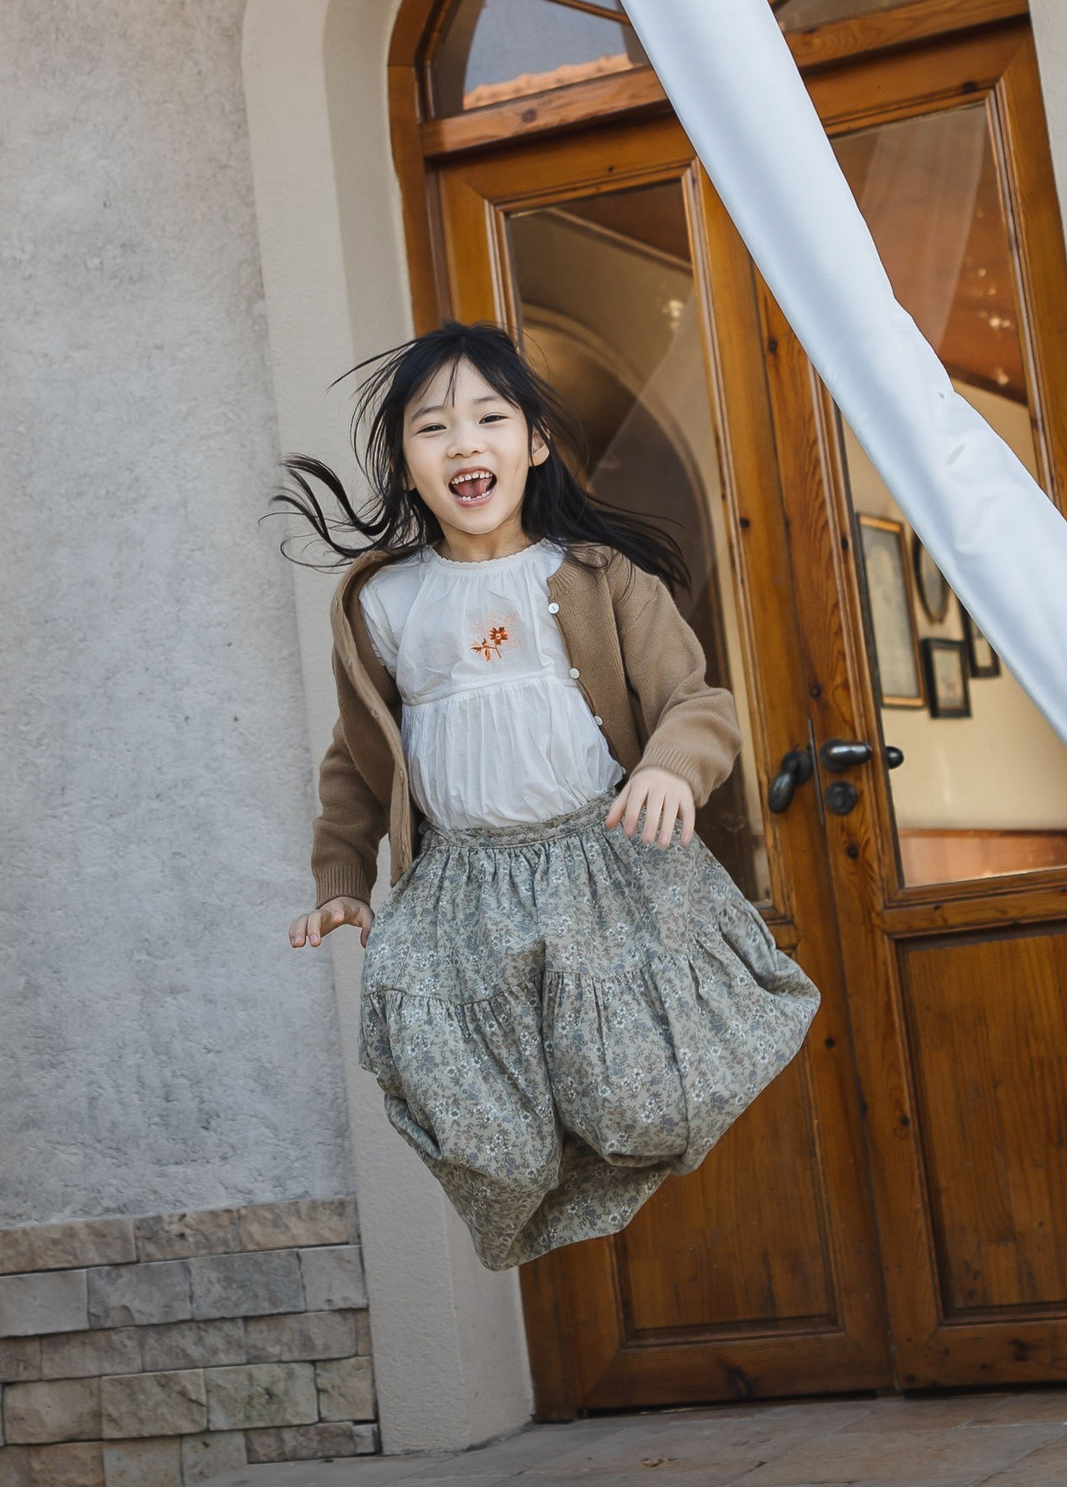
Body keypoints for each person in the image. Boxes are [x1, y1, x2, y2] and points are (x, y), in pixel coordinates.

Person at [279, 322, 819, 1269]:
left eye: (490, 418)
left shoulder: (601, 577)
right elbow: (356, 762)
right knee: (481, 1125)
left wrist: (666, 767)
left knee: (636, 1098)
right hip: (461, 889)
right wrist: (342, 874)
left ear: (533, 444)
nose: (463, 443)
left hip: (595, 865)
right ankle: (529, 1181)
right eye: (432, 428)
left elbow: (697, 704)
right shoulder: (385, 603)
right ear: (407, 466)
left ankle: (604, 1165)